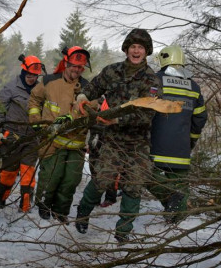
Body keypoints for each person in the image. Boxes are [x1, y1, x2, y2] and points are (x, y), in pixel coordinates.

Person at [74, 28, 162, 243]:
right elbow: (93, 88)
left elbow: (148, 113)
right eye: (133, 46)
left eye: (140, 47)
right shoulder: (111, 71)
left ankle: (123, 232)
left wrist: (119, 119)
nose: (136, 51)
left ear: (146, 51)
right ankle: (83, 213)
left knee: (133, 184)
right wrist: (82, 97)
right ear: (126, 49)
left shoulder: (151, 80)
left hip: (138, 142)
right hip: (112, 139)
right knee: (102, 180)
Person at [28, 46, 91, 223]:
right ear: (66, 63)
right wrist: (36, 121)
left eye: (80, 67)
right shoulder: (49, 81)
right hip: (52, 140)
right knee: (51, 177)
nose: (76, 70)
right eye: (73, 66)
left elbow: (93, 110)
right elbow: (34, 99)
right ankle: (44, 206)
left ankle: (61, 210)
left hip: (76, 144)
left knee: (70, 181)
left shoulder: (87, 88)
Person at [147, 45, 207, 223]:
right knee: (181, 185)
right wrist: (190, 141)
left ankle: (168, 198)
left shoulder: (154, 81)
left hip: (156, 145)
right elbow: (200, 118)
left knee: (147, 176)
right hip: (181, 149)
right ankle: (177, 221)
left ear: (162, 59)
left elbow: (145, 111)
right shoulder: (194, 87)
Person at [0, 54, 45, 213]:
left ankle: (25, 206)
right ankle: (1, 199)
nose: (31, 78)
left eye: (35, 76)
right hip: (11, 137)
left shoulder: (40, 90)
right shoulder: (10, 88)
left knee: (28, 172)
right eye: (29, 75)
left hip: (31, 138)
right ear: (23, 73)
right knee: (8, 172)